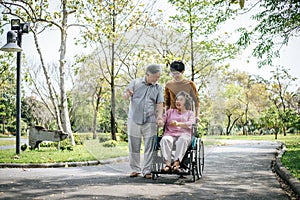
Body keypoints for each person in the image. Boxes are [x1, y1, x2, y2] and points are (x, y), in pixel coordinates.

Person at [123, 64, 164, 179]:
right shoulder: (135, 83)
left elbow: (160, 103)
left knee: (149, 146)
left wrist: (159, 117)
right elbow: (125, 95)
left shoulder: (158, 87)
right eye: (155, 77)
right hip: (134, 119)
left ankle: (147, 170)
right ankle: (135, 169)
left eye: (158, 77)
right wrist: (127, 94)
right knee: (134, 145)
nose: (157, 79)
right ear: (147, 75)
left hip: (150, 120)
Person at [159, 91, 195, 172]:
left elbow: (191, 123)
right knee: (165, 139)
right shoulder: (170, 112)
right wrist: (160, 121)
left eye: (181, 100)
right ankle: (168, 165)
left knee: (182, 140)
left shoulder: (190, 113)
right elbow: (163, 120)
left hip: (184, 135)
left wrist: (179, 124)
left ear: (186, 102)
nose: (178, 102)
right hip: (170, 134)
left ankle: (176, 164)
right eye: (177, 100)